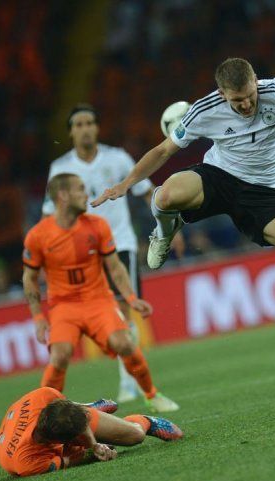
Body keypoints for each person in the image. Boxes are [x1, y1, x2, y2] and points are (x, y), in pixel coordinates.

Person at [91, 57, 275, 351]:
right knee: (165, 196)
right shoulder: (204, 110)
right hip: (219, 177)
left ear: (256, 82)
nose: (245, 105)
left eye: (250, 96)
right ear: (221, 94)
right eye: (237, 100)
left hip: (262, 193)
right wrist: (126, 184)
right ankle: (164, 233)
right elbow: (163, 150)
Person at [42, 104, 184, 403]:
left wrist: (169, 226)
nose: (85, 128)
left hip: (120, 243)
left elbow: (146, 191)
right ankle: (128, 376)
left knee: (126, 308)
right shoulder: (60, 169)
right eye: (78, 124)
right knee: (99, 312)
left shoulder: (118, 158)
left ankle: (128, 381)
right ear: (71, 132)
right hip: (81, 253)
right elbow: (49, 215)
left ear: (97, 128)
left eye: (90, 123)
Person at [23, 173, 179, 412]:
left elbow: (115, 268)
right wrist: (38, 317)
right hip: (64, 306)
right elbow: (30, 278)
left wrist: (131, 298)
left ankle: (151, 394)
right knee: (60, 355)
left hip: (98, 300)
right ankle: (42, 412)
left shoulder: (97, 226)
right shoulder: (38, 236)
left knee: (124, 343)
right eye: (80, 189)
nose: (87, 194)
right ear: (63, 196)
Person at [0, 387, 183, 477]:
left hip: (58, 418)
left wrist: (95, 445)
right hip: (39, 447)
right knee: (78, 447)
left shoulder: (43, 396)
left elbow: (69, 410)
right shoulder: (26, 463)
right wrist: (91, 453)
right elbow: (71, 460)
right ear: (67, 440)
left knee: (137, 435)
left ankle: (144, 421)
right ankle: (95, 409)